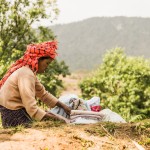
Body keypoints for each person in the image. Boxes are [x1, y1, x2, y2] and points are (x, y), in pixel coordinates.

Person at [0, 41, 71, 128]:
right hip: (12, 112)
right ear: (38, 60)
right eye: (47, 63)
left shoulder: (30, 73)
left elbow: (43, 94)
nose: (47, 67)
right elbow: (31, 108)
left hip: (17, 110)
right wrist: (56, 119)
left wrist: (63, 106)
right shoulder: (26, 75)